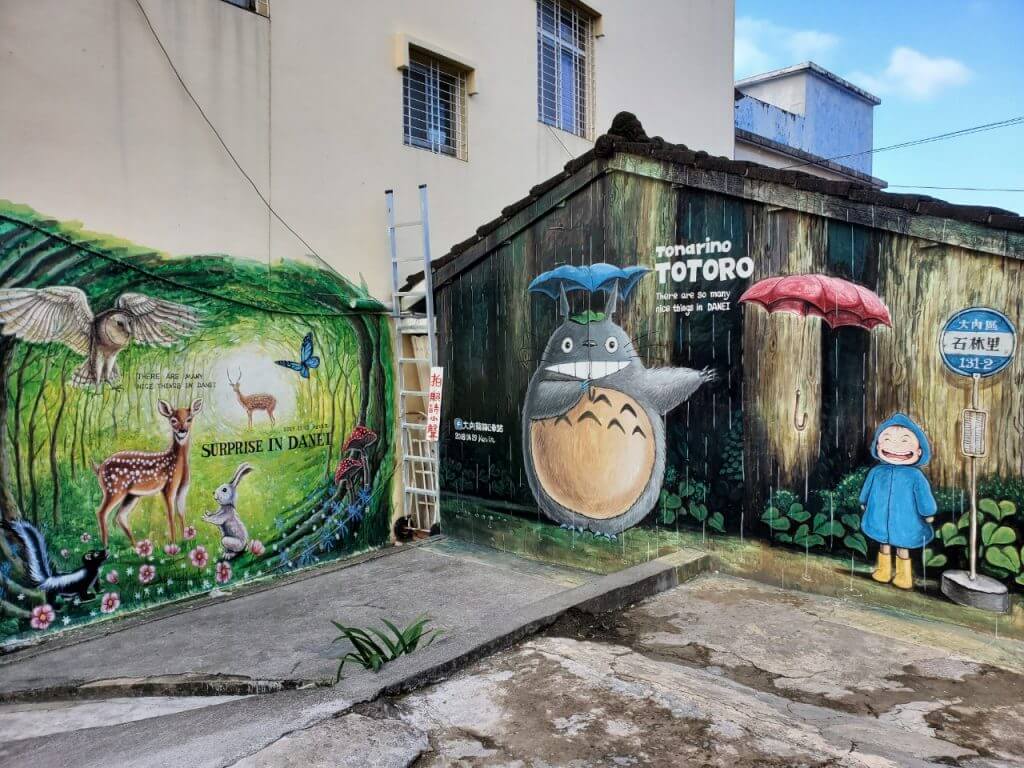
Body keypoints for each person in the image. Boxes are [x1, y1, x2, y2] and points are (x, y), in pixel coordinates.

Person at [859, 413, 937, 590]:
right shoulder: (877, 472)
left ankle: (903, 576)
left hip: (906, 520)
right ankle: (884, 570)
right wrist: (863, 500)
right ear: (878, 446)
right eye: (887, 439)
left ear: (919, 451)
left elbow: (924, 496)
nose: (895, 446)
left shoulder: (915, 476)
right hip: (880, 516)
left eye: (904, 441)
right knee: (884, 542)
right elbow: (867, 489)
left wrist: (928, 512)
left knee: (903, 545)